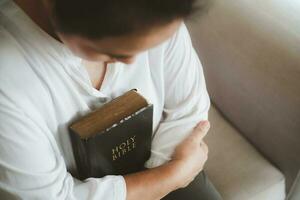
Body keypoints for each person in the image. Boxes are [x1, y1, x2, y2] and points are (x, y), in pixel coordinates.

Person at [0, 0, 222, 199]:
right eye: (113, 53)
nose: (133, 62)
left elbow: (187, 112)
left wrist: (159, 175)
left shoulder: (160, 11)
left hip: (167, 162)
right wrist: (169, 177)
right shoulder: (9, 78)